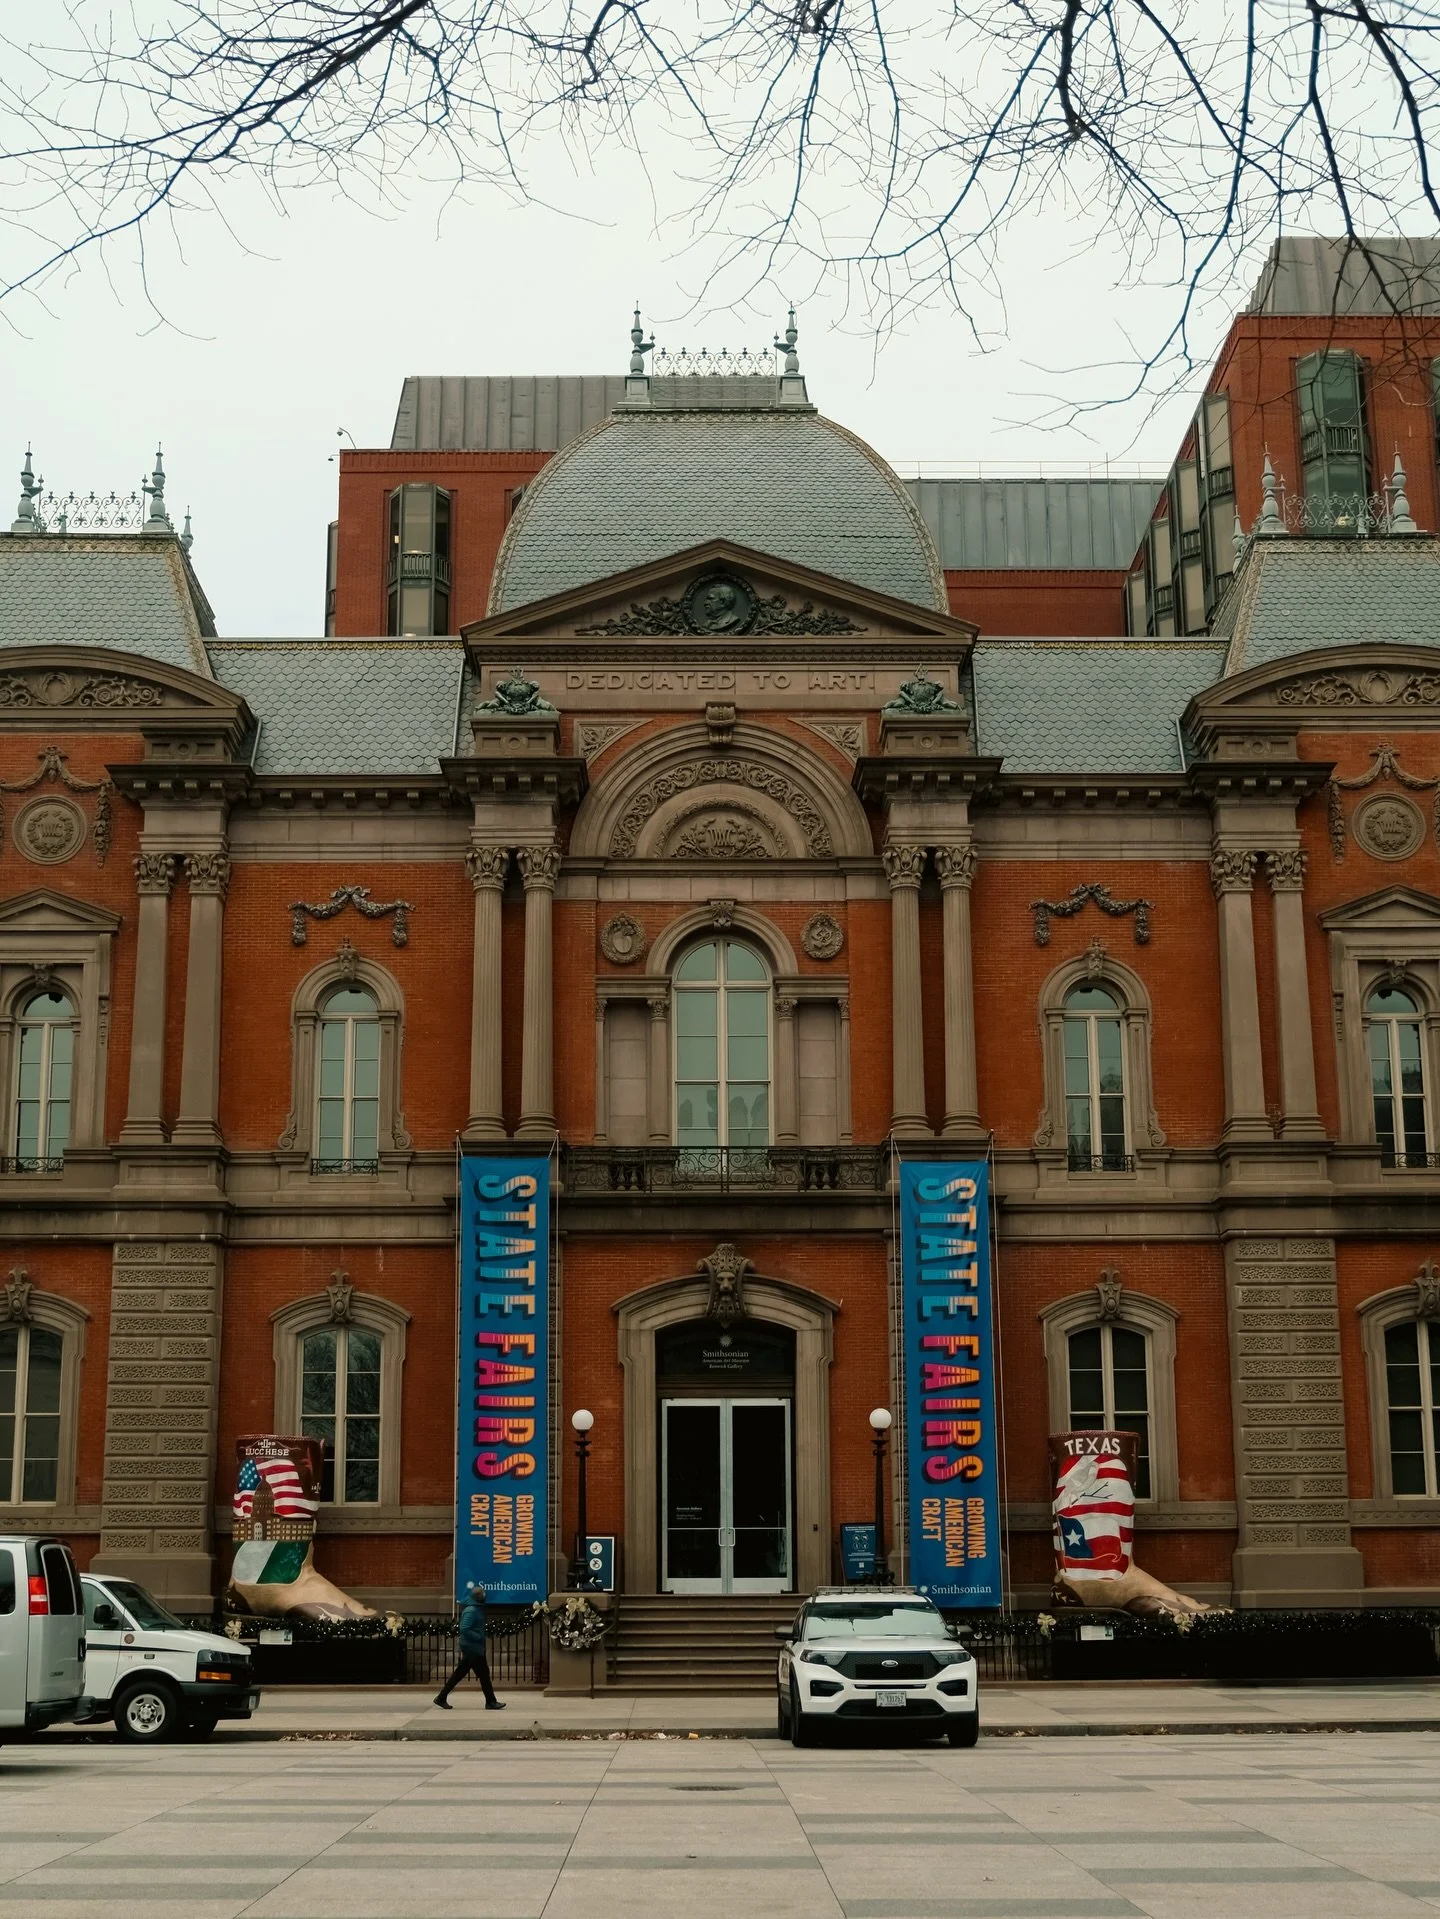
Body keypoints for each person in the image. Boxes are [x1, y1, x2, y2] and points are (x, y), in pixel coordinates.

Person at [433, 1583, 505, 1710]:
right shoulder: (471, 1610)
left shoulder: (475, 1609)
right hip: (472, 1647)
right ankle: (491, 1702)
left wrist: (483, 1634)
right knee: (483, 1674)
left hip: (473, 1647)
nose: (485, 1597)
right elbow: (465, 1628)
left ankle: (441, 1697)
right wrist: (478, 1636)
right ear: (479, 1597)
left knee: (461, 1674)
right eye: (483, 1595)